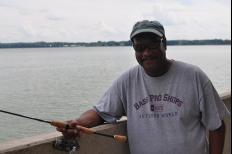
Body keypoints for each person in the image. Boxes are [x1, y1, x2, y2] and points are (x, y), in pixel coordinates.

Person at [57, 20, 230, 154]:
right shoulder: (128, 80)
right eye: (139, 47)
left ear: (165, 44)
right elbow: (100, 112)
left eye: (152, 45)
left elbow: (217, 126)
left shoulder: (193, 76)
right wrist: (78, 123)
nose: (146, 53)